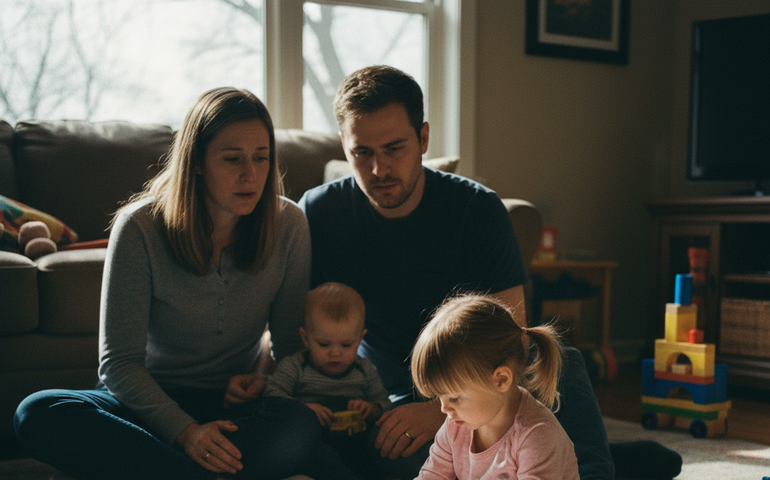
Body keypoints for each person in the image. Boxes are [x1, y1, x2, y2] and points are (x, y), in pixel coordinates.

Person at [300, 65, 681, 480]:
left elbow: (511, 331)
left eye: (394, 148)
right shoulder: (319, 213)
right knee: (399, 462)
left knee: (562, 361)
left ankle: (590, 469)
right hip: (385, 390)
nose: (379, 170)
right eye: (362, 153)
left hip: (477, 376)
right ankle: (581, 459)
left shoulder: (475, 208)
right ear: (344, 145)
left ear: (423, 138)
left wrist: (437, 409)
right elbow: (292, 326)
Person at [14, 87, 321, 480]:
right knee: (38, 412)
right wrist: (186, 433)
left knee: (300, 424)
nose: (251, 175)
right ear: (196, 162)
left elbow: (289, 347)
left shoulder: (289, 224)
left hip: (233, 408)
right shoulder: (140, 226)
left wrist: (262, 380)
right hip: (145, 404)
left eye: (261, 158)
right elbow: (119, 365)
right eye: (232, 159)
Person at [410, 293, 579, 480]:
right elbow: (432, 474)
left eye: (454, 398)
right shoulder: (455, 427)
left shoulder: (538, 434)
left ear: (501, 380)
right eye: (439, 398)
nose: (444, 409)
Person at [264, 281, 391, 480]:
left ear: (360, 339)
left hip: (356, 439)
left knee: (380, 448)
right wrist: (304, 409)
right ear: (306, 338)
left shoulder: (364, 370)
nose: (335, 353)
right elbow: (272, 396)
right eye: (324, 344)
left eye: (346, 344)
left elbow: (384, 403)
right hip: (315, 440)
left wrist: (371, 408)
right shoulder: (295, 366)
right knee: (318, 457)